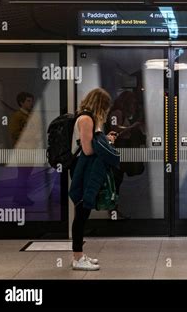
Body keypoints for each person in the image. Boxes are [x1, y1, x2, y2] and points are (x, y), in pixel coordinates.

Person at [69, 88, 119, 271]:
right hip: (83, 170)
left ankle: (80, 254)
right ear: (100, 104)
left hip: (84, 169)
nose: (105, 111)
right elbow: (88, 149)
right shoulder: (86, 119)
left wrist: (104, 139)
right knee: (81, 213)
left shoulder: (86, 118)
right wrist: (106, 143)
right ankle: (77, 257)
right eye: (105, 107)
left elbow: (90, 144)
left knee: (83, 212)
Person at [8, 92, 39, 206]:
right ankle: (20, 197)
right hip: (23, 150)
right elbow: (14, 133)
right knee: (23, 174)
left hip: (30, 149)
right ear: (21, 102)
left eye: (31, 101)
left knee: (25, 175)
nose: (31, 103)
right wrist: (30, 135)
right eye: (28, 101)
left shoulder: (30, 116)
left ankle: (20, 196)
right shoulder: (17, 116)